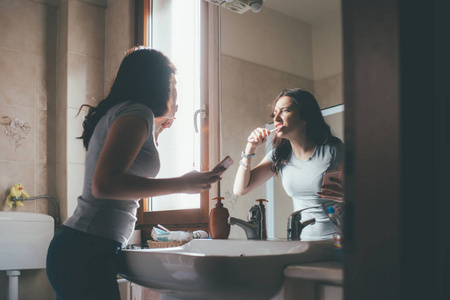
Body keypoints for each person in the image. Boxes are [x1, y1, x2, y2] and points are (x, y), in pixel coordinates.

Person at [46, 46, 223, 300]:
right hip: (87, 249)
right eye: (172, 82)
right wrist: (182, 184)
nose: (175, 90)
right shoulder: (138, 113)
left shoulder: (125, 113)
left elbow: (126, 168)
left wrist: (158, 130)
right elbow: (104, 185)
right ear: (158, 82)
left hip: (80, 247)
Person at [233, 88, 344, 241]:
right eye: (274, 114)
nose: (276, 118)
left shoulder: (333, 150)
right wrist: (250, 148)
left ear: (305, 117)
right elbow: (240, 189)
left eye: (285, 111)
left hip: (339, 240)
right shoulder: (279, 156)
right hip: (303, 240)